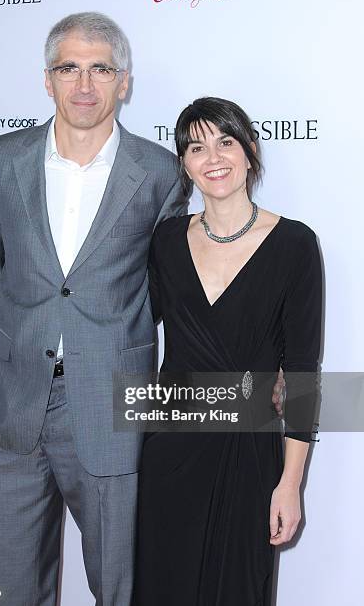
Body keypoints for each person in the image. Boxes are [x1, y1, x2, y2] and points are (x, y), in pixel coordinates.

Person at [0, 11, 187, 606]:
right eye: (69, 69)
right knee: (4, 591)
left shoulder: (160, 172)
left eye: (99, 69)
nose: (84, 86)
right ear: (47, 79)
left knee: (121, 588)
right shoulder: (1, 161)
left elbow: (162, 290)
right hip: (8, 406)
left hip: (111, 407)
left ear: (124, 81)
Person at [133, 97, 323, 605]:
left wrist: (290, 484)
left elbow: (303, 375)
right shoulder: (166, 240)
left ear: (250, 151)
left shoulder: (295, 245)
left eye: (225, 141)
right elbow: (125, 322)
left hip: (249, 457)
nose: (212, 157)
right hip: (169, 452)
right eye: (196, 146)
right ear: (184, 164)